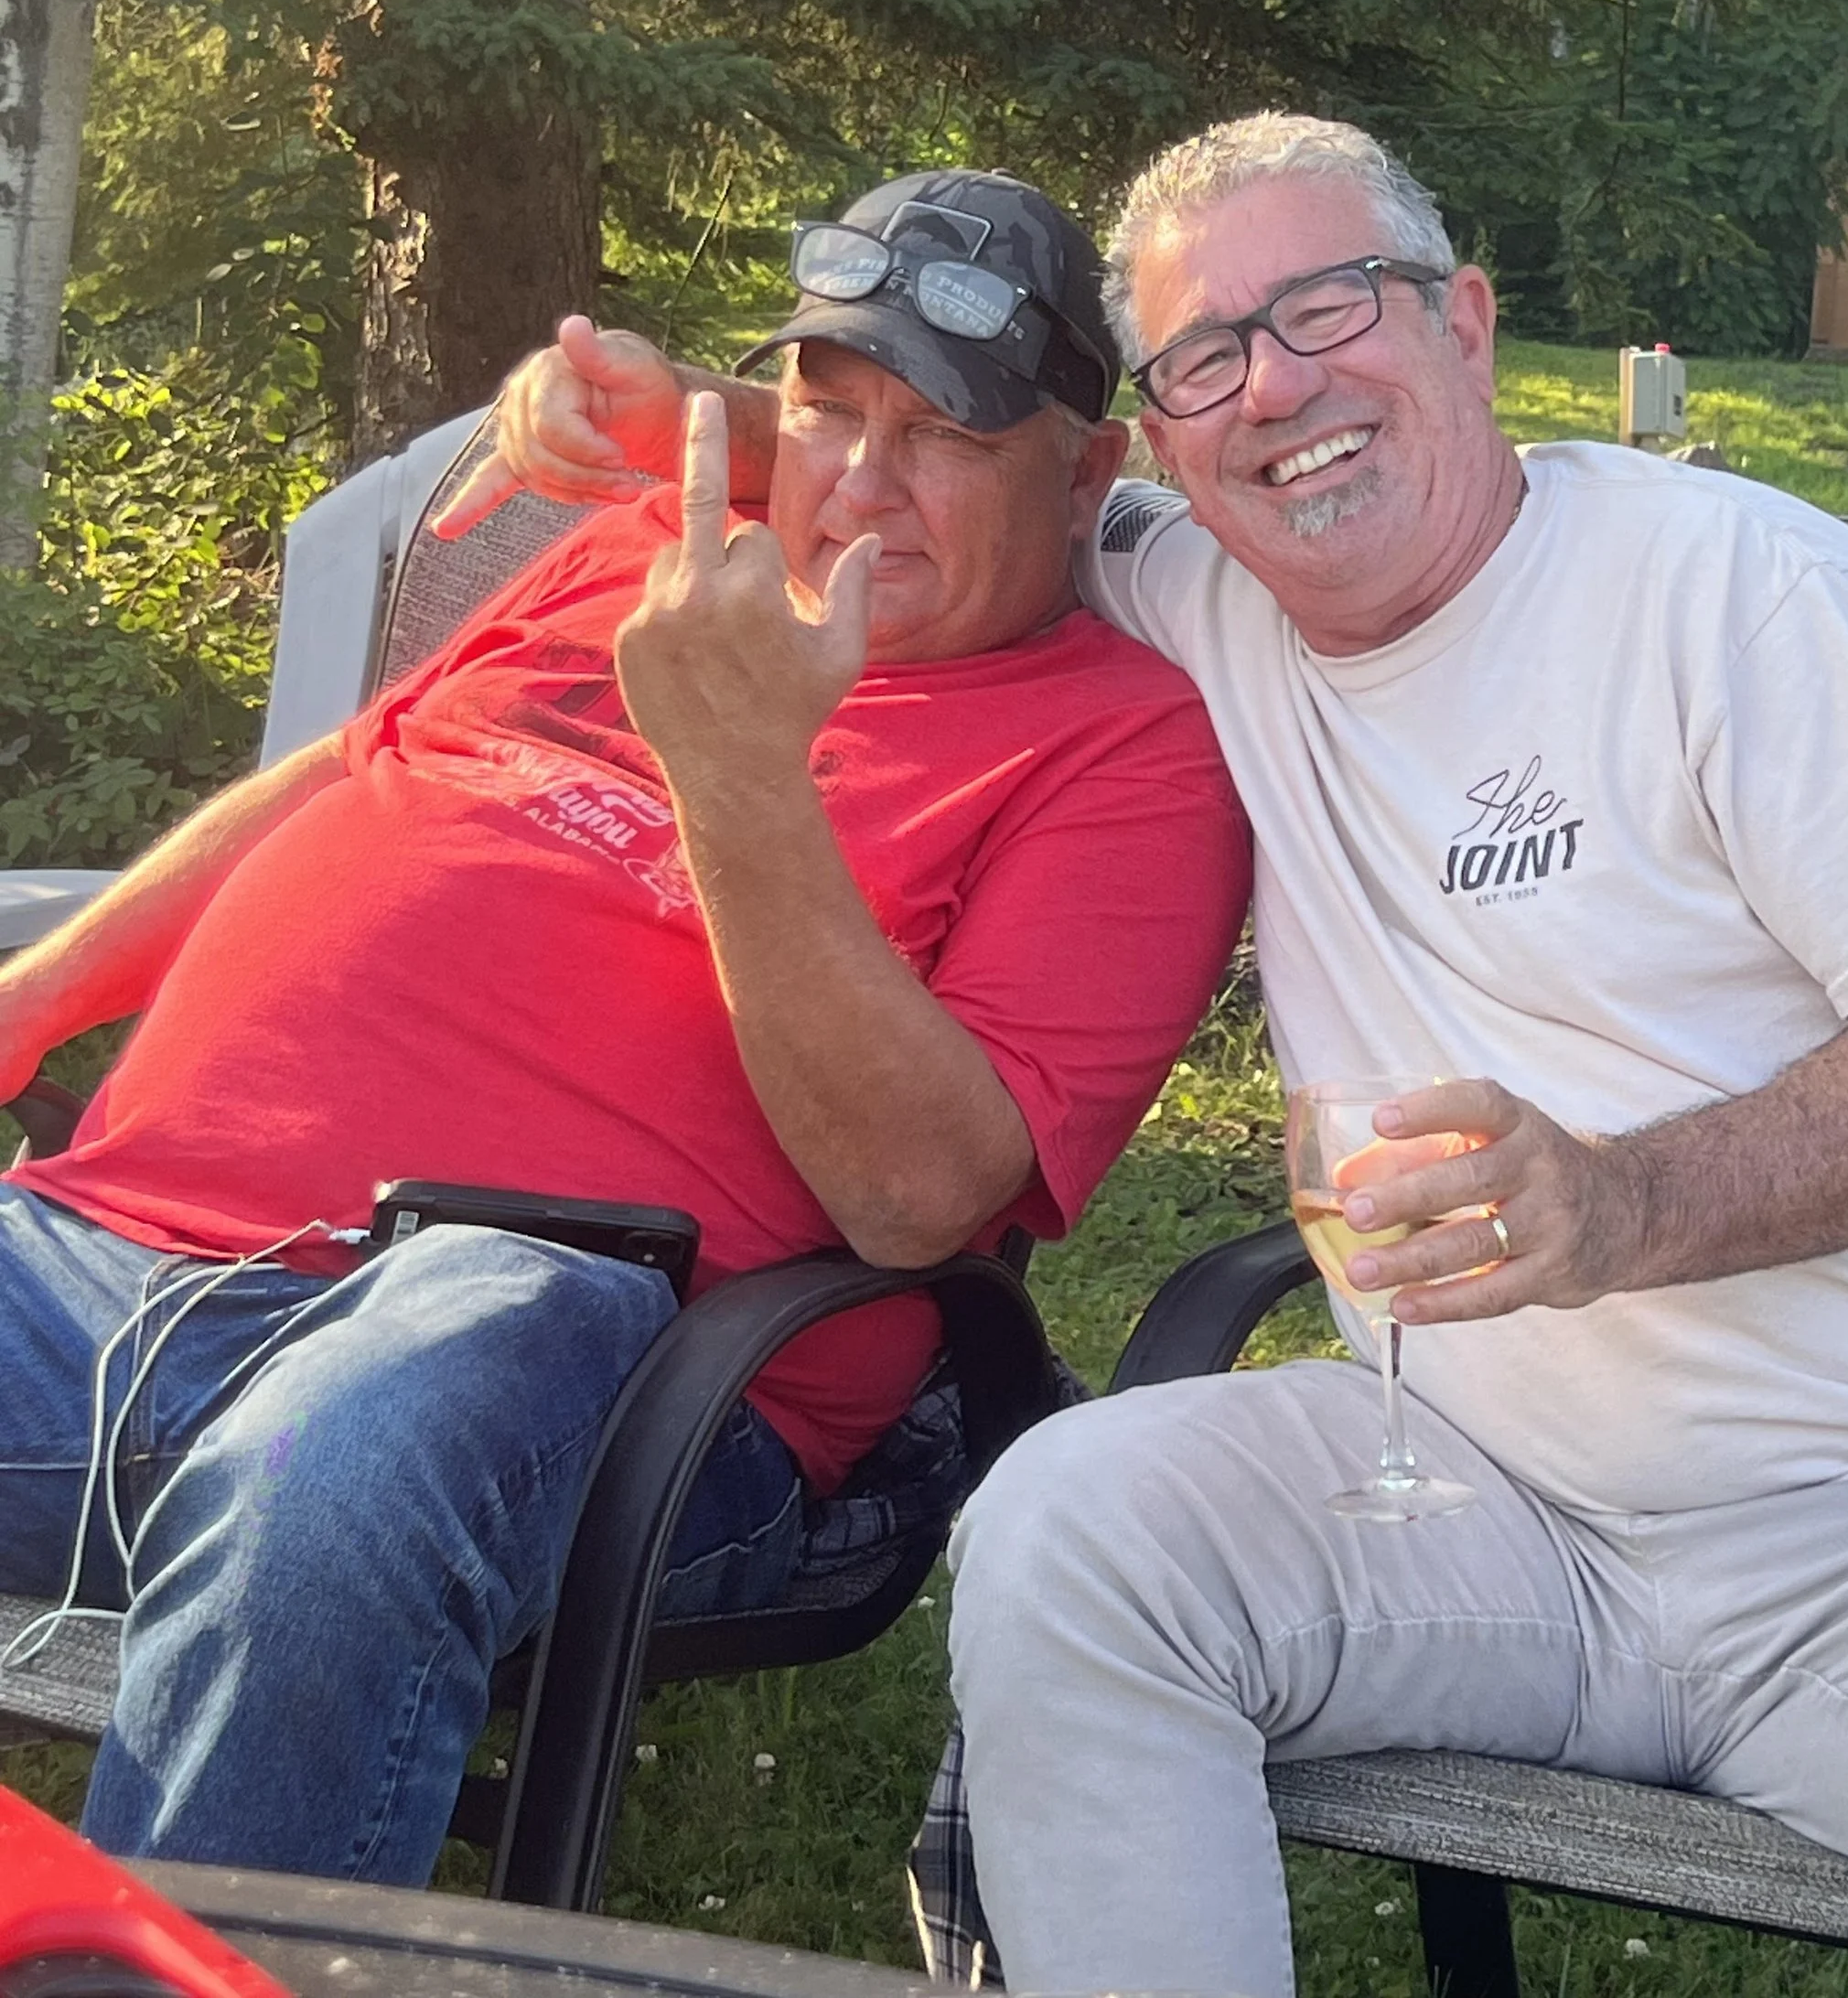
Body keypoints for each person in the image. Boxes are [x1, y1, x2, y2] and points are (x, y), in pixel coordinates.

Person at [491, 115, 1848, 1998]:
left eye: (1326, 304)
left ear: (1466, 327)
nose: (1274, 384)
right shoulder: (1205, 598)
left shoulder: (1742, 595)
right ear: (1168, 444)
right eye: (1204, 358)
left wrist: (1621, 1200)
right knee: (1071, 1527)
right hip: (1469, 1500)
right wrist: (687, 408)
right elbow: (977, 483)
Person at [0, 169, 1249, 1890]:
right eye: (829, 410)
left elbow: (919, 1195)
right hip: (101, 1263)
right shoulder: (642, 560)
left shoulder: (1125, 751)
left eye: (946, 438)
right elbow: (340, 784)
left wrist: (739, 776)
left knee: (339, 1468)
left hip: (551, 1348)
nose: (866, 485)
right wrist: (29, 1002)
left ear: (1087, 472)